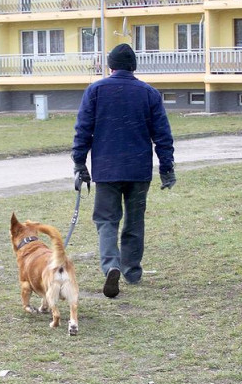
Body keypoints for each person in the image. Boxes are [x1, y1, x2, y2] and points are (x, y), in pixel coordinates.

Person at [71, 43, 176, 298]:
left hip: (106, 168)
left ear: (111, 66)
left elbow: (83, 128)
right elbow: (162, 135)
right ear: (134, 67)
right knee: (134, 220)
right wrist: (166, 167)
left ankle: (111, 266)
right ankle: (132, 271)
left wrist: (79, 162)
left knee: (106, 220)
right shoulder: (149, 93)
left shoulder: (95, 90)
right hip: (139, 169)